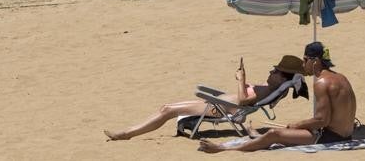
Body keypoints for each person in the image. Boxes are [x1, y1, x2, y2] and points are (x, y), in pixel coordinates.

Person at [198, 42, 356, 153]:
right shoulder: (341, 78)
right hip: (346, 134)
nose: (303, 64)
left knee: (275, 134)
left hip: (330, 137)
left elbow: (323, 120)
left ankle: (224, 148)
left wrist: (297, 124)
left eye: (305, 60)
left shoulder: (321, 83)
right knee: (284, 131)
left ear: (315, 62)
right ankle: (258, 137)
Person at [105, 55, 306, 141]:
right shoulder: (271, 87)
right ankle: (128, 132)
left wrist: (241, 78)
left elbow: (243, 101)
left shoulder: (267, 89)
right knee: (167, 108)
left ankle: (127, 133)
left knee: (167, 109)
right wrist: (245, 83)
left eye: (275, 71)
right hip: (221, 105)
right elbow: (247, 98)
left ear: (282, 78)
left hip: (220, 109)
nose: (271, 71)